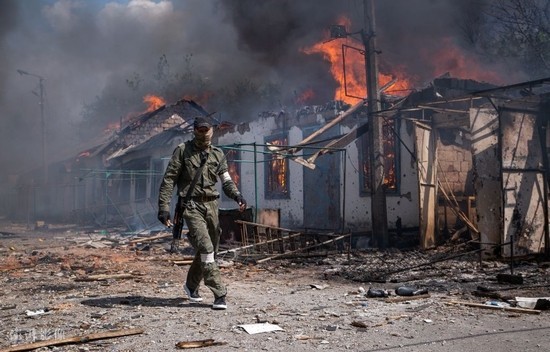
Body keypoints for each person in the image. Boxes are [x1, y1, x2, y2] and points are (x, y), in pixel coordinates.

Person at [157, 116, 246, 310]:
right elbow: (169, 180)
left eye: (206, 130)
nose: (203, 134)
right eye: (200, 130)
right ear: (194, 130)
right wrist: (163, 208)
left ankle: (190, 286)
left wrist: (237, 196)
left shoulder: (217, 154)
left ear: (212, 131)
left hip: (212, 206)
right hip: (190, 206)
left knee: (210, 250)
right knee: (206, 248)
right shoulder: (183, 151)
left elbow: (226, 180)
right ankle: (219, 293)